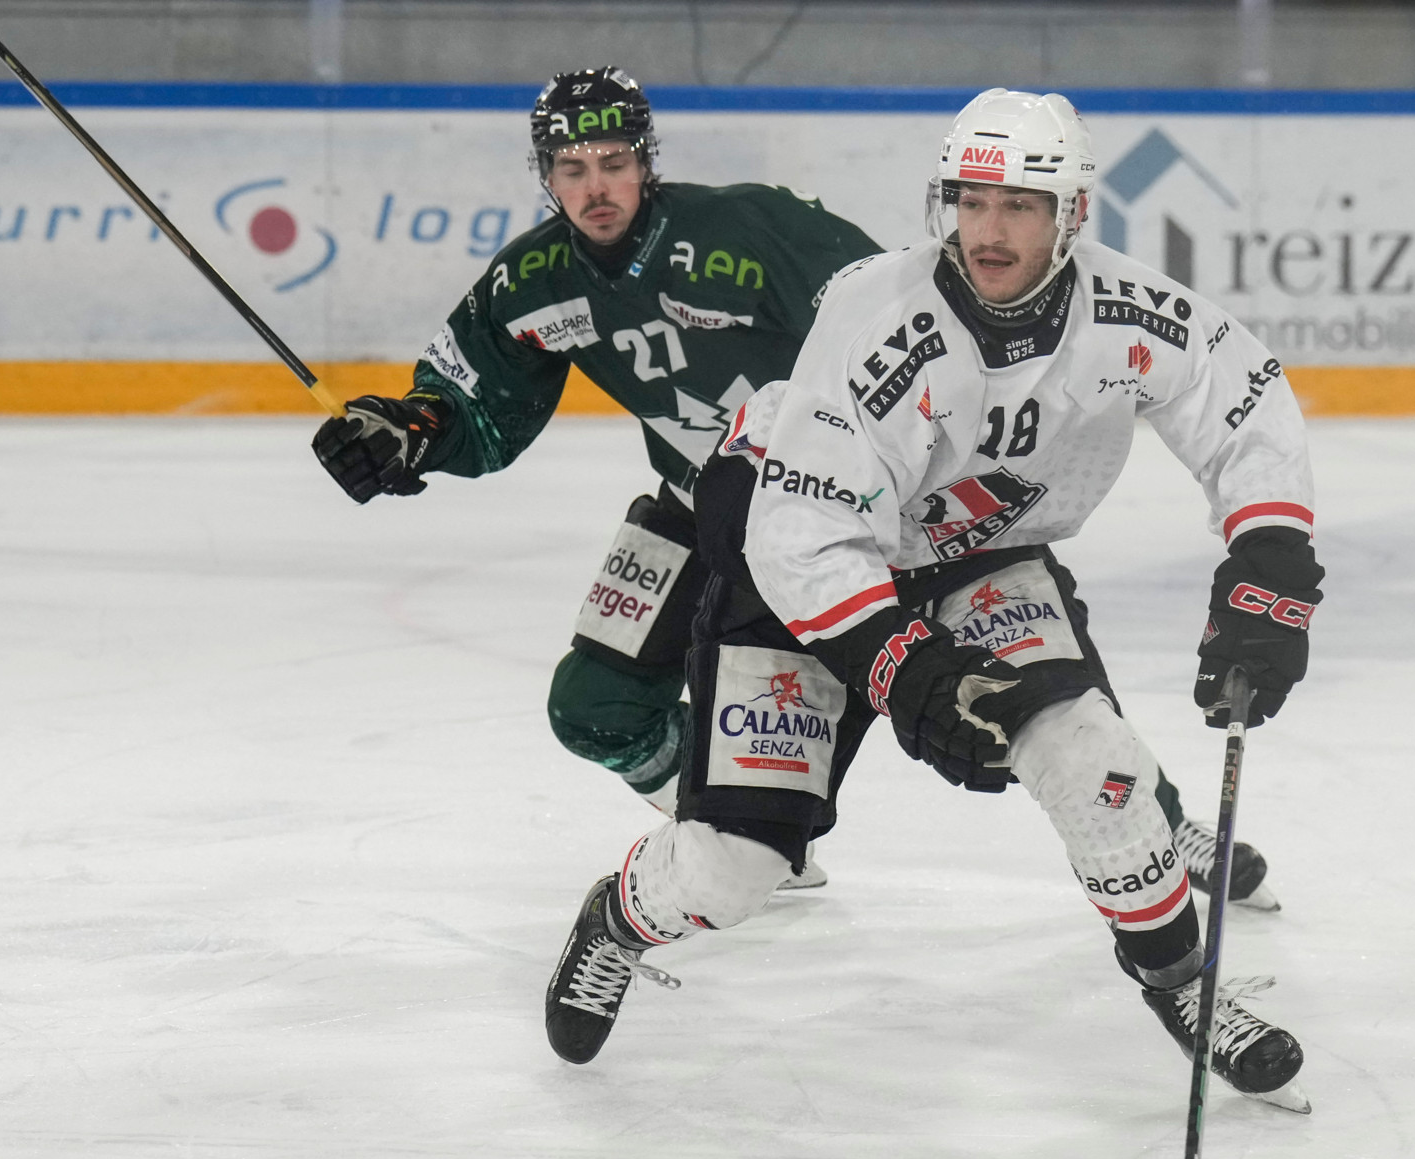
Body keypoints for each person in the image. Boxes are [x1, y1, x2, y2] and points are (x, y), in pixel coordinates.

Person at [307, 69, 1269, 903]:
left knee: (1028, 681)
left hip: (852, 506)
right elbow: (471, 403)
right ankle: (733, 831)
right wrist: (405, 431)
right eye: (571, 168)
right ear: (544, 177)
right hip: (702, 507)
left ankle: (1158, 823)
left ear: (646, 160)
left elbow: (902, 317)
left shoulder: (747, 229)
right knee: (593, 705)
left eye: (613, 162)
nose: (595, 187)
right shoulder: (533, 281)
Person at [543, 89, 1323, 1111]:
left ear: (1072, 215)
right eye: (971, 202)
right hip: (795, 568)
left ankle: (1183, 984)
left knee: (1090, 760)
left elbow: (1242, 402)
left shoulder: (1128, 312)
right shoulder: (874, 314)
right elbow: (801, 533)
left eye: (1019, 207)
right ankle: (616, 920)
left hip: (975, 557)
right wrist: (903, 667)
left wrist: (1270, 561)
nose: (988, 231)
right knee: (733, 869)